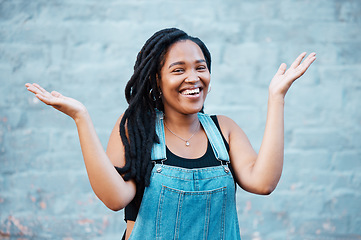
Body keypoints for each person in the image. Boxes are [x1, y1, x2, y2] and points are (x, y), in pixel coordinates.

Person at [25, 28, 316, 240]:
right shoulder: (136, 128)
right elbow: (116, 198)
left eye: (200, 68)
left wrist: (277, 97)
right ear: (157, 79)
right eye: (179, 70)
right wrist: (81, 118)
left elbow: (263, 183)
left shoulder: (223, 129)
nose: (194, 78)